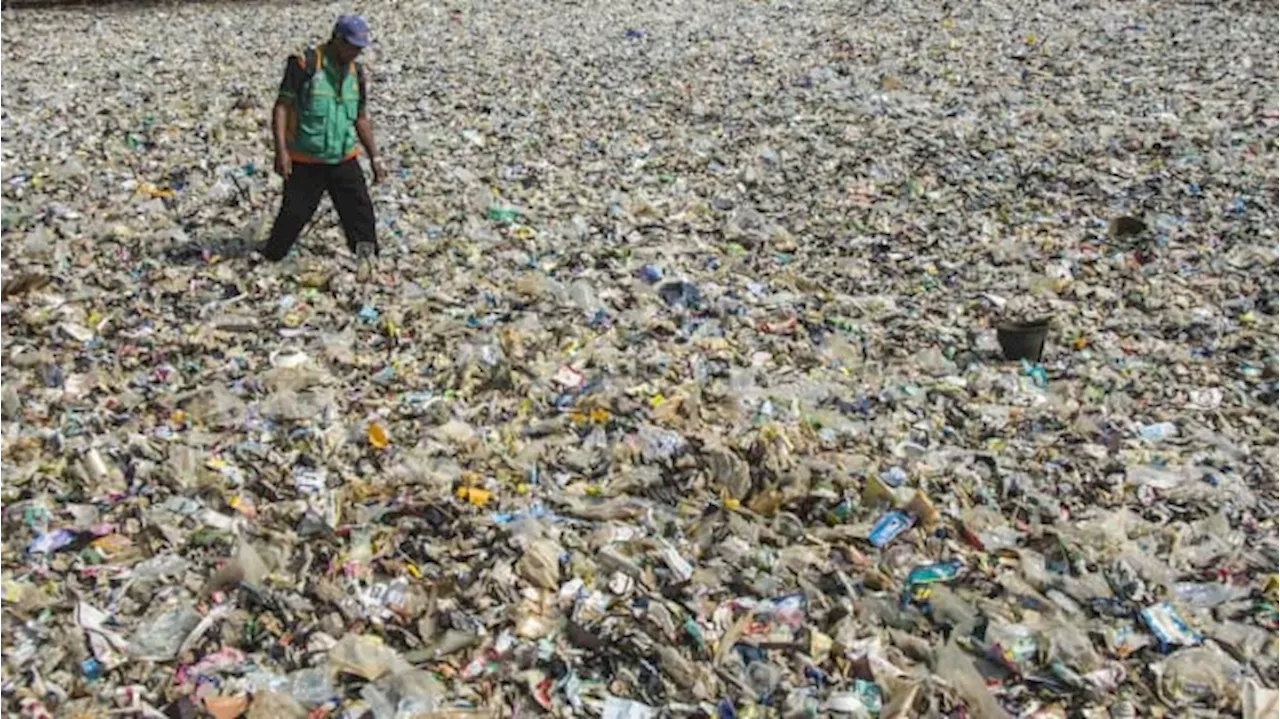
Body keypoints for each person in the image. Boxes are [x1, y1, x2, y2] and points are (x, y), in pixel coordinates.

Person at [264, 14, 387, 266]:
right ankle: (271, 257)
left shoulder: (357, 73)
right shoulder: (305, 64)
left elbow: (360, 117)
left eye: (359, 48)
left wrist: (375, 156)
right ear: (337, 40)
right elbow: (282, 107)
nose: (356, 53)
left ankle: (367, 261)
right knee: (295, 213)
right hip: (305, 158)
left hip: (343, 156)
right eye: (352, 46)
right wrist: (281, 151)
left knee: (360, 213)